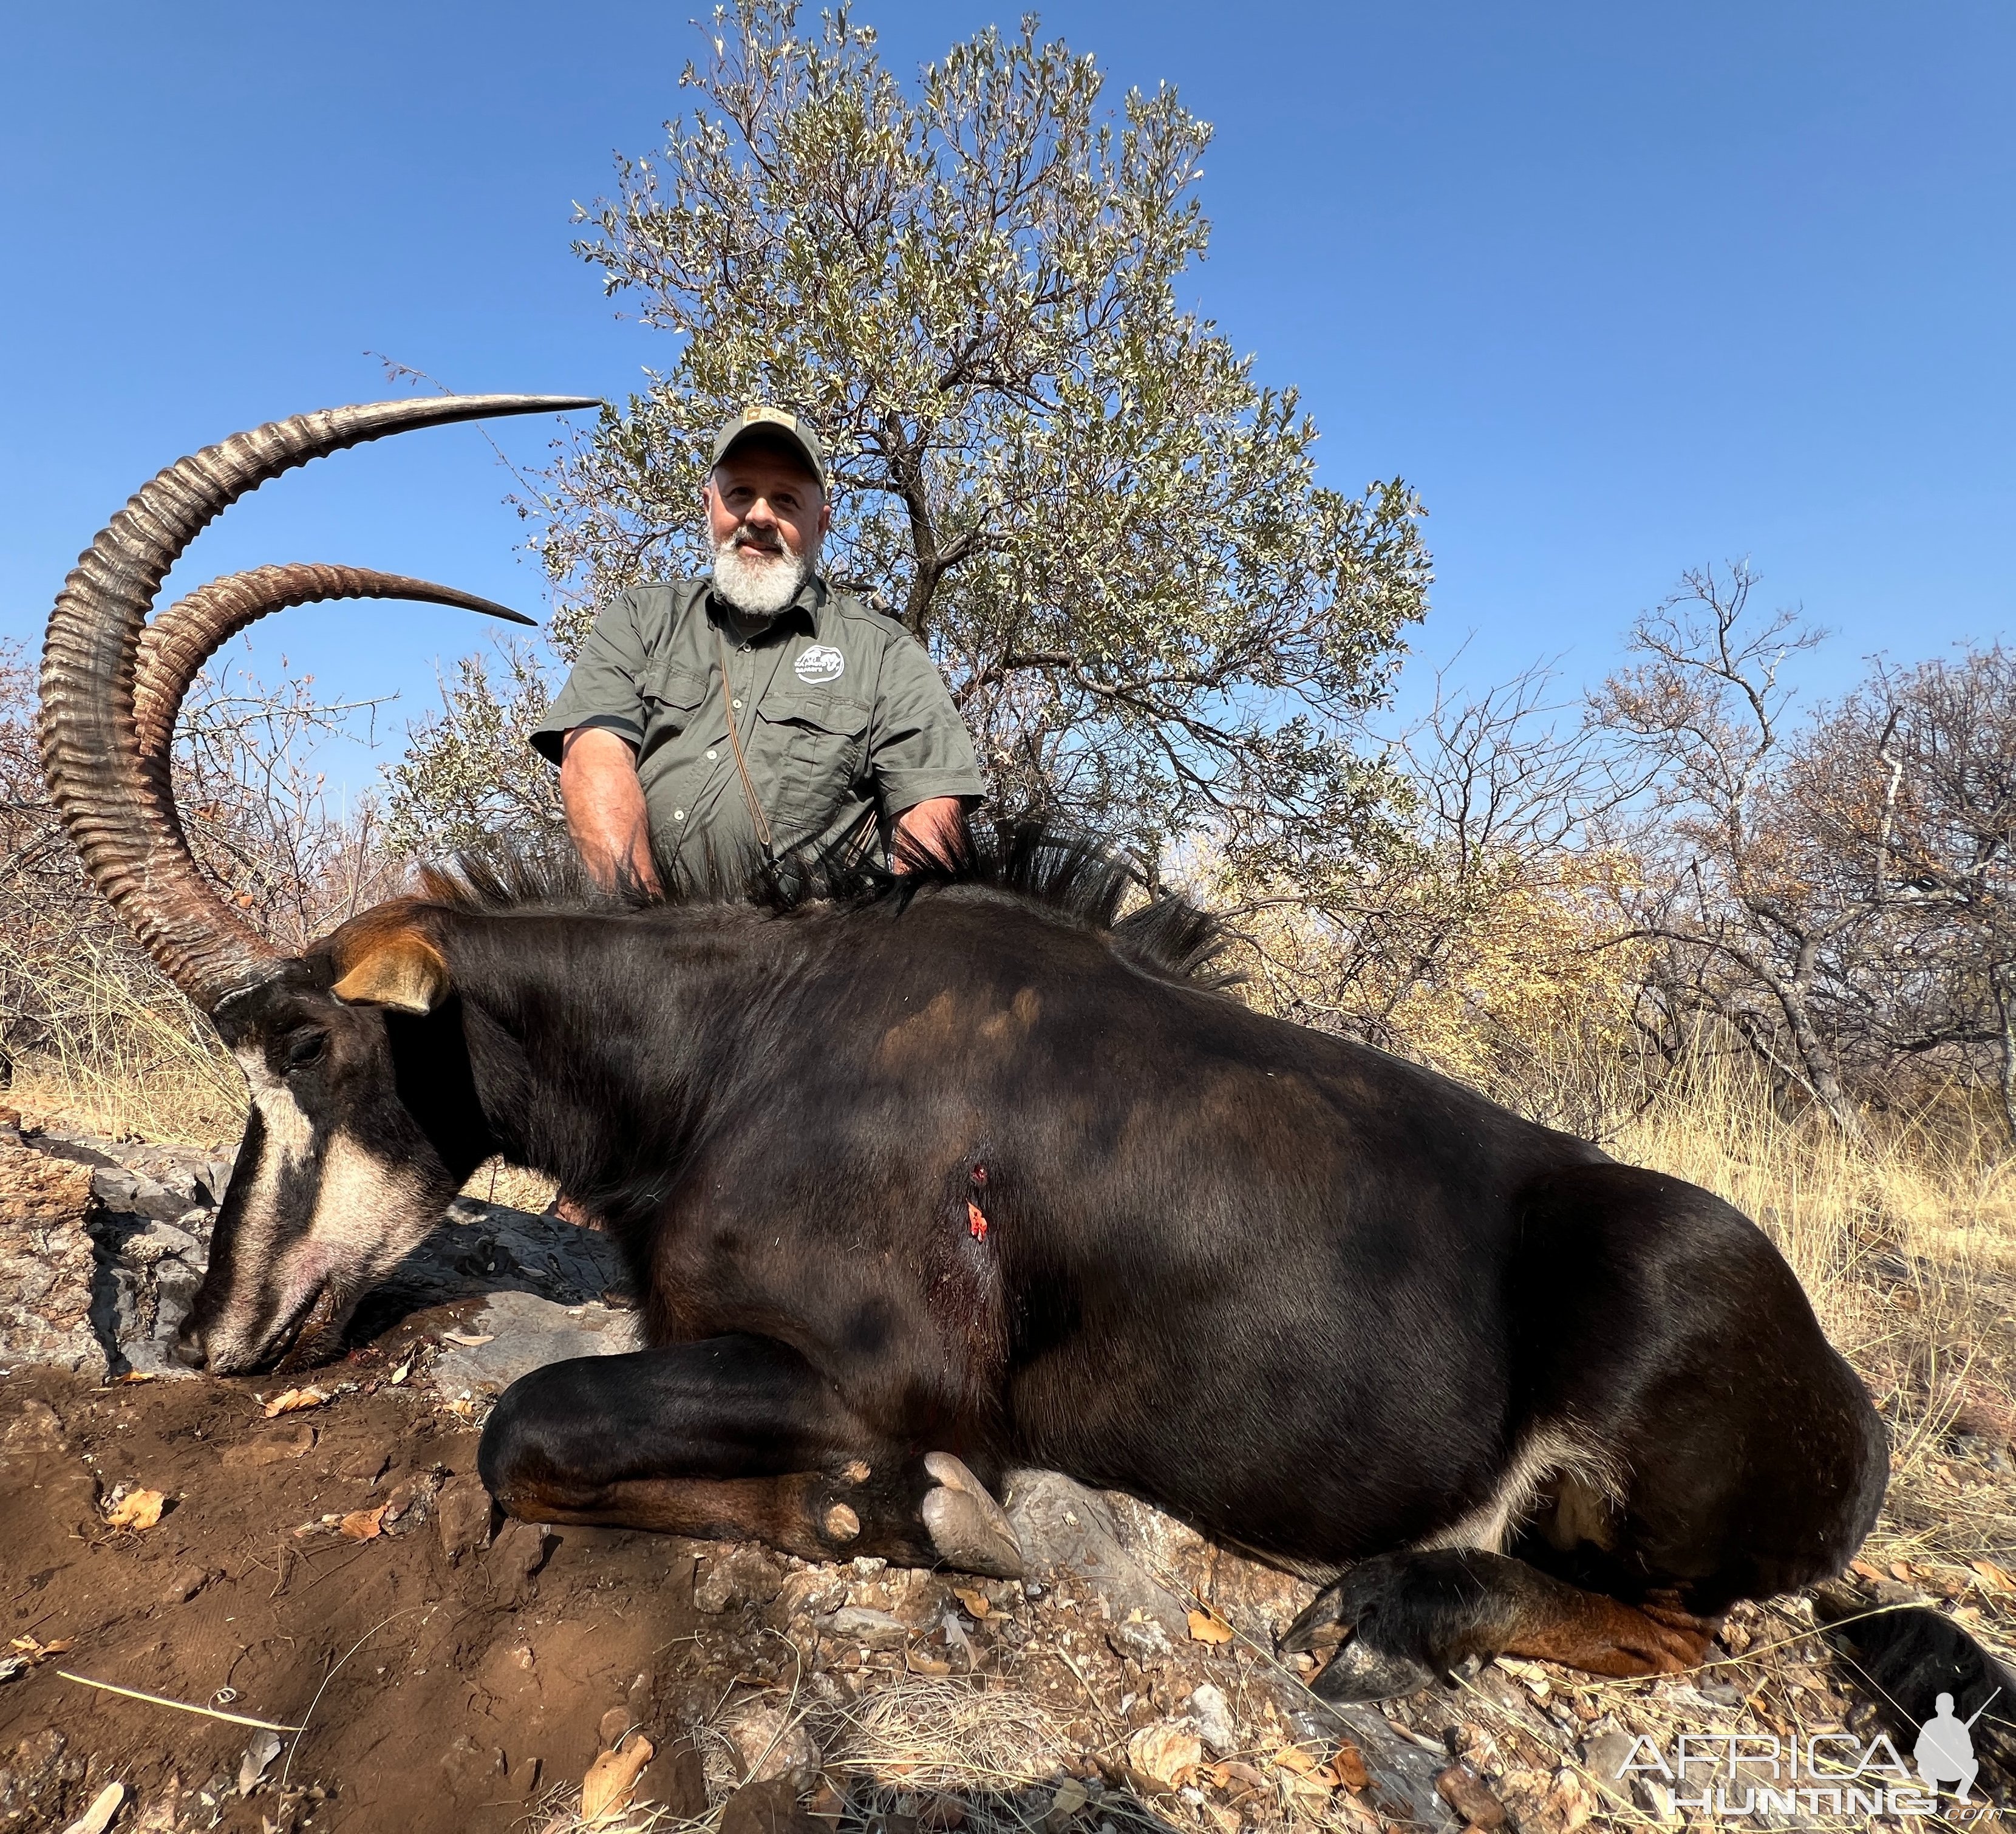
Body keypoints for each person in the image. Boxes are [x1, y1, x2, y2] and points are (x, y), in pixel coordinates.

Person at [531, 405, 982, 889]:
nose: (760, 515)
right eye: (740, 493)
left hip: (813, 957)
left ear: (822, 523)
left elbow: (929, 811)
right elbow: (593, 757)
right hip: (648, 945)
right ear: (709, 505)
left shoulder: (886, 653)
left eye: (786, 500)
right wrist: (642, 928)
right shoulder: (642, 618)